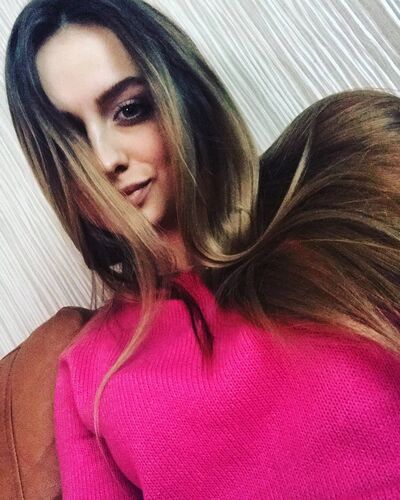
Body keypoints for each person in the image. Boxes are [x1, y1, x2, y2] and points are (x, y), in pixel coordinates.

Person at [5, 0, 400, 498]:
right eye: (73, 140)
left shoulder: (339, 200)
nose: (105, 160)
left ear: (182, 95)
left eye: (130, 109)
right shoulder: (89, 375)